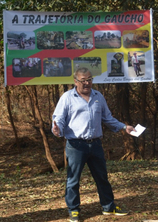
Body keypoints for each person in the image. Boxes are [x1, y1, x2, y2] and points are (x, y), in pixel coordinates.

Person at [52, 67, 136, 222]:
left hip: (95, 144)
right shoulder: (67, 97)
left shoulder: (98, 97)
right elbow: (59, 118)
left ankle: (108, 207)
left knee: (102, 177)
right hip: (76, 145)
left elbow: (108, 118)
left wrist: (124, 127)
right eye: (83, 80)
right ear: (75, 81)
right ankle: (74, 210)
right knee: (73, 180)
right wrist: (57, 129)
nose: (87, 83)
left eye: (89, 79)